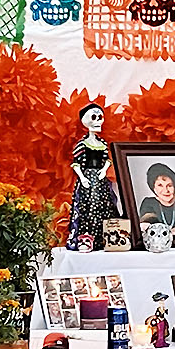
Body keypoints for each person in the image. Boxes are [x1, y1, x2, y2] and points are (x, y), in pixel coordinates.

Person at [65, 104, 116, 251]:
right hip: (87, 178)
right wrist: (82, 178)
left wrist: (104, 170)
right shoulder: (82, 144)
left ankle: (102, 238)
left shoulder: (103, 144)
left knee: (103, 206)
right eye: (94, 117)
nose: (98, 121)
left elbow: (107, 159)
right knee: (88, 207)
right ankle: (87, 237)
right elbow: (76, 164)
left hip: (100, 179)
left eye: (100, 117)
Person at [137, 163, 175, 227]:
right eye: (160, 185)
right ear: (153, 187)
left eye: (169, 185)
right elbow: (147, 226)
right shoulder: (148, 203)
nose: (166, 190)